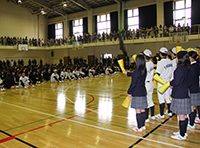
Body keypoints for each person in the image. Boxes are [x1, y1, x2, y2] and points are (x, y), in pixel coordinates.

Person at [170, 51, 191, 140]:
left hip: (179, 94)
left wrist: (171, 82)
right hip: (185, 93)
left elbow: (176, 82)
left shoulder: (179, 69)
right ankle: (183, 132)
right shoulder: (188, 68)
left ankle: (181, 135)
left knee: (181, 116)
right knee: (184, 115)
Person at [124, 54, 147, 132]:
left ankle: (139, 127)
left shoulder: (136, 71)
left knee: (138, 111)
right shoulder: (144, 70)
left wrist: (129, 92)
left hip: (137, 93)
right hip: (143, 92)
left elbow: (133, 83)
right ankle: (143, 125)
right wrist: (127, 73)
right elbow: (135, 75)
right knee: (143, 110)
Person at [156, 47, 173, 119]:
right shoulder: (170, 61)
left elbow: (158, 74)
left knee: (161, 99)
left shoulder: (160, 63)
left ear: (160, 54)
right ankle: (169, 111)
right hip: (168, 82)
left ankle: (161, 114)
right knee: (168, 98)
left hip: (161, 82)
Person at [187, 51, 200, 129]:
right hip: (197, 88)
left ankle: (191, 123)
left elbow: (190, 79)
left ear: (191, 58)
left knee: (192, 107)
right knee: (194, 107)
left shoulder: (192, 68)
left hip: (192, 89)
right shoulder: (198, 65)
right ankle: (193, 121)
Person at [142, 49, 155, 122]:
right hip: (151, 83)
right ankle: (152, 115)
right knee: (150, 99)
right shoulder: (151, 63)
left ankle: (146, 118)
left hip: (146, 84)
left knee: (146, 100)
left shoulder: (145, 65)